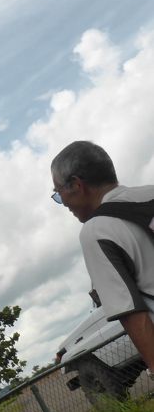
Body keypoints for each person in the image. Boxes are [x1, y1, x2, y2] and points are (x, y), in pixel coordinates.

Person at [50, 140, 154, 375]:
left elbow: (132, 314)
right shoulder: (150, 193)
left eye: (59, 192)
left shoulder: (96, 231)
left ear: (77, 185)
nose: (63, 202)